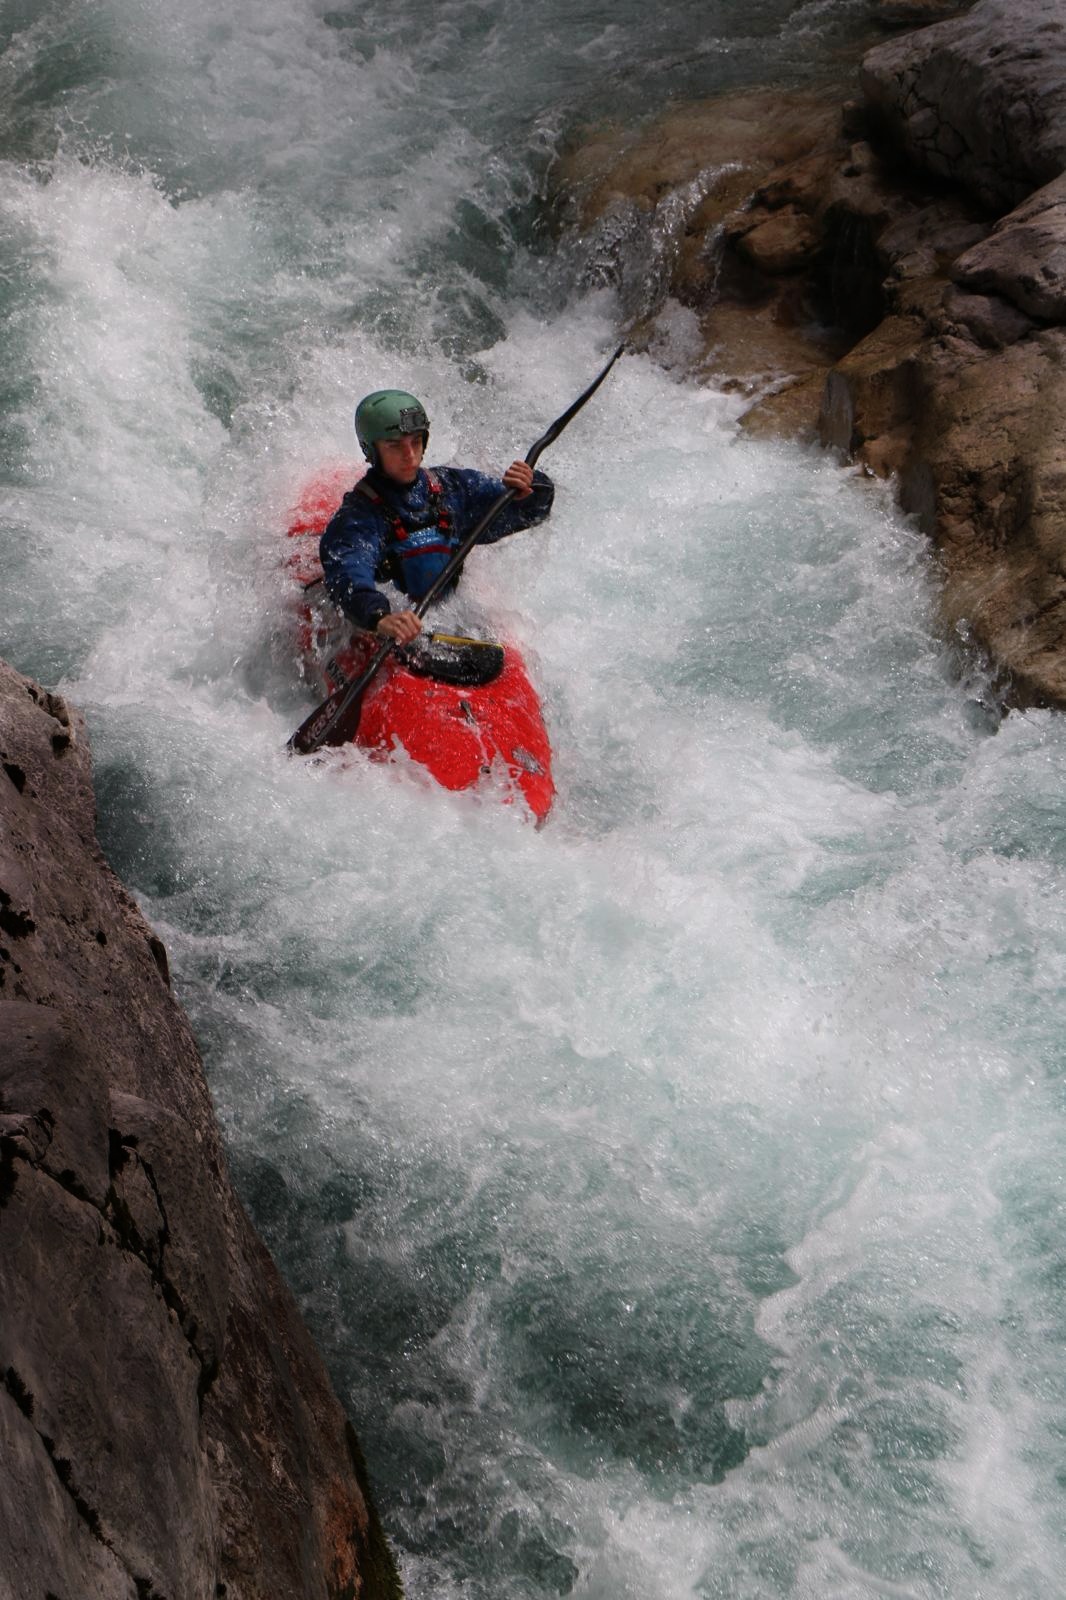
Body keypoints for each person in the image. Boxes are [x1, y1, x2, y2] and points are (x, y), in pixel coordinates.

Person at [320, 389, 554, 644]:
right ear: (372, 451)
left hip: (448, 617)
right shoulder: (360, 516)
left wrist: (530, 488)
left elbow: (529, 513)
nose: (410, 455)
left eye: (416, 441)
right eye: (395, 445)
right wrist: (380, 617)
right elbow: (348, 571)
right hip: (387, 625)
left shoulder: (452, 489)